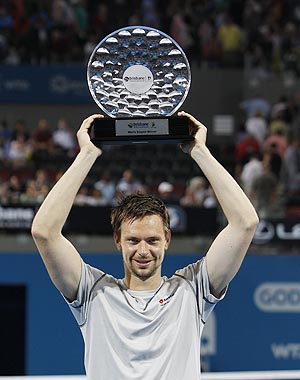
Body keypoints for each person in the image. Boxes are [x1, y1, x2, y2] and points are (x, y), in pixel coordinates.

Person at [31, 112, 259, 380]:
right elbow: (44, 232)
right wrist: (87, 155)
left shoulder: (192, 290)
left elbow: (245, 223)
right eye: (133, 240)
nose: (143, 250)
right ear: (118, 241)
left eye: (152, 240)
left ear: (167, 240)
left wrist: (200, 151)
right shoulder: (92, 293)